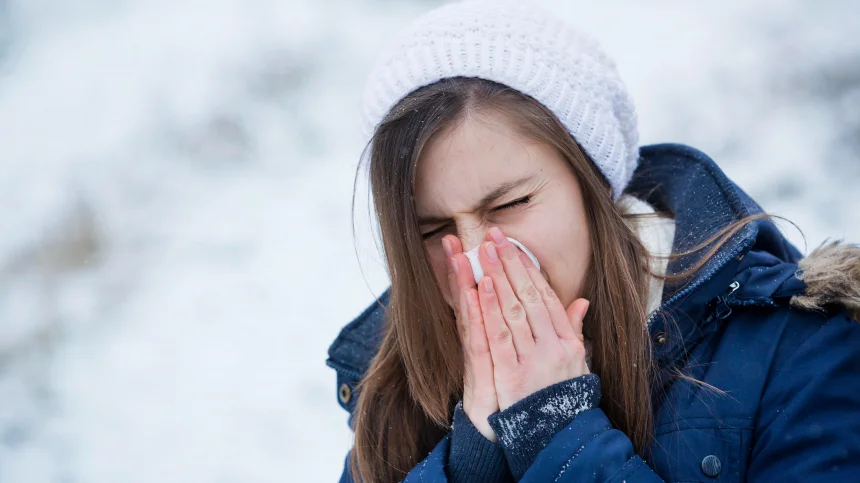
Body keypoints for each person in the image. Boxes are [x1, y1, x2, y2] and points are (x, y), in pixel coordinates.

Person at [325, 1, 860, 481]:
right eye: (434, 230)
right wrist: (472, 459)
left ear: (594, 186)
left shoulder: (800, 354)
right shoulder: (392, 387)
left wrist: (554, 433)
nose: (477, 261)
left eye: (510, 205)